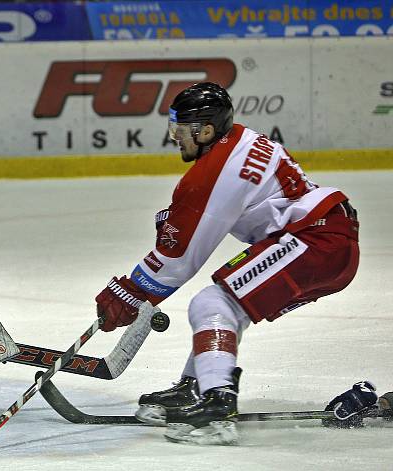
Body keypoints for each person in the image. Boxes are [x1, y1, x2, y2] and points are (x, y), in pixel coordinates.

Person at [94, 82, 360, 445]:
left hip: (315, 241)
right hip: (325, 242)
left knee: (212, 303)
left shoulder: (213, 172)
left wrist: (132, 292)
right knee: (228, 308)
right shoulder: (240, 139)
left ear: (204, 130)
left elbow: (179, 258)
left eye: (180, 129)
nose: (174, 137)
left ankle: (218, 402)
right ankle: (196, 387)